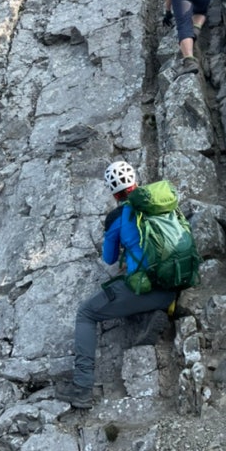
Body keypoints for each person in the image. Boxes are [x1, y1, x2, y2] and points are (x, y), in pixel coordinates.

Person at [54, 160, 177, 409]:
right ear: (135, 180)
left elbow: (108, 258)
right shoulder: (160, 201)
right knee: (127, 286)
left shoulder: (117, 217)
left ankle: (82, 388)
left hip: (147, 287)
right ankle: (150, 317)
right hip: (174, 284)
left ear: (113, 191)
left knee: (87, 313)